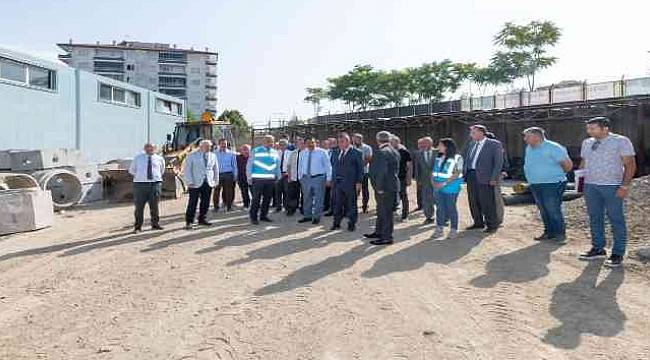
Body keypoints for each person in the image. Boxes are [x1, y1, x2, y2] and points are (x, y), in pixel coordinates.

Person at [578, 117, 636, 268]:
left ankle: (617, 253)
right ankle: (598, 248)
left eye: (592, 128)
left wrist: (624, 186)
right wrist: (581, 184)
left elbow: (630, 165)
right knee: (595, 217)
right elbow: (584, 163)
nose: (589, 131)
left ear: (605, 128)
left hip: (612, 186)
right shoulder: (587, 143)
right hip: (591, 186)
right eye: (588, 128)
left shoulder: (621, 141)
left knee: (616, 219)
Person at [523, 127, 573, 244]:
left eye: (527, 136)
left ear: (536, 136)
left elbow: (568, 165)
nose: (525, 139)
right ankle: (549, 232)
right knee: (543, 209)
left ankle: (560, 234)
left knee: (553, 209)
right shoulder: (529, 148)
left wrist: (554, 175)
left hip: (552, 184)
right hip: (535, 184)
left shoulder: (553, 147)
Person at [463, 124, 504, 233]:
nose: (471, 135)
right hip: (471, 175)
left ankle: (491, 224)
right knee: (473, 200)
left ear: (481, 132)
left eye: (473, 132)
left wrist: (494, 177)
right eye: (471, 132)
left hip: (486, 177)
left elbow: (498, 163)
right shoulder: (472, 144)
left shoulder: (494, 144)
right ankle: (478, 222)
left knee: (487, 201)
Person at [364, 131, 400, 245]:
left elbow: (381, 172)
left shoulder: (382, 152)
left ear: (377, 139)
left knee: (385, 213)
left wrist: (379, 187)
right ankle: (379, 232)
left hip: (384, 188)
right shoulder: (394, 150)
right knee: (381, 211)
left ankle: (386, 237)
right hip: (390, 186)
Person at [128, 143, 165, 233]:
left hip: (155, 184)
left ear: (155, 149)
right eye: (147, 148)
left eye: (152, 148)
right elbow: (132, 170)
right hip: (140, 185)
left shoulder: (159, 159)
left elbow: (162, 170)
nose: (149, 149)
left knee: (154, 206)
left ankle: (155, 224)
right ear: (144, 149)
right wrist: (142, 177)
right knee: (139, 207)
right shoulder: (138, 158)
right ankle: (138, 227)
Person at [431, 138, 464, 239]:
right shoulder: (438, 158)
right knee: (440, 208)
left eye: (440, 145)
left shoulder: (458, 158)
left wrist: (443, 183)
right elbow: (433, 172)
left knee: (451, 208)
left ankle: (453, 229)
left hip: (451, 187)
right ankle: (439, 228)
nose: (438, 147)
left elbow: (457, 173)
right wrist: (433, 182)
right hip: (437, 187)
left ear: (447, 147)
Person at [331, 133, 364, 232]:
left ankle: (352, 223)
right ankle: (336, 223)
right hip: (338, 183)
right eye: (339, 142)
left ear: (348, 141)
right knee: (337, 204)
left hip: (351, 183)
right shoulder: (336, 152)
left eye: (342, 141)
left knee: (351, 204)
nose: (340, 144)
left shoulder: (357, 153)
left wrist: (359, 182)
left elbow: (360, 169)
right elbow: (333, 166)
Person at [184, 140, 220, 229]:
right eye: (207, 146)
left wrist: (216, 180)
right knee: (193, 202)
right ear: (201, 146)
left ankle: (202, 219)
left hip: (208, 182)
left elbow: (215, 169)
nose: (209, 148)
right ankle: (189, 221)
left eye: (210, 146)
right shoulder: (191, 156)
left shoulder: (213, 156)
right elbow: (187, 170)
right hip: (195, 183)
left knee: (205, 202)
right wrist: (189, 181)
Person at [247, 135, 282, 224]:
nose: (270, 143)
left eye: (272, 141)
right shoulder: (256, 151)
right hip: (258, 179)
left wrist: (279, 176)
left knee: (267, 199)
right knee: (256, 199)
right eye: (268, 141)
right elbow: (249, 165)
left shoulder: (275, 152)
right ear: (263, 141)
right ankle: (253, 217)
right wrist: (249, 177)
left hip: (270, 180)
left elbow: (277, 165)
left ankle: (263, 215)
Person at [297, 137, 332, 225]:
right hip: (305, 179)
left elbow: (328, 166)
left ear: (315, 142)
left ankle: (317, 217)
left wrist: (328, 179)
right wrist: (300, 177)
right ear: (305, 144)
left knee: (318, 198)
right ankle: (307, 216)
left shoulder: (322, 152)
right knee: (306, 198)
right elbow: (300, 166)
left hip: (319, 178)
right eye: (308, 143)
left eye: (312, 142)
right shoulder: (302, 153)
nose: (310, 144)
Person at [413, 136, 438, 224]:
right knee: (426, 199)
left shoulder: (438, 152)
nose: (423, 145)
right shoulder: (418, 153)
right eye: (422, 143)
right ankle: (429, 217)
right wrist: (417, 180)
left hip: (438, 180)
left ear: (431, 143)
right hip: (424, 180)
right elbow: (417, 168)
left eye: (425, 143)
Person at [390, 135, 413, 221]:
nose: (391, 144)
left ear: (398, 142)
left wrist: (409, 178)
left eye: (393, 142)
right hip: (391, 178)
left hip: (401, 178)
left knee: (403, 196)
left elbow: (410, 166)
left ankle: (405, 215)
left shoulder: (404, 152)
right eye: (390, 142)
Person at [213, 138, 238, 212]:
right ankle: (216, 207)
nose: (224, 145)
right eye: (222, 144)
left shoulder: (231, 153)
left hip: (228, 174)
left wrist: (235, 175)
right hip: (218, 174)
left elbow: (234, 165)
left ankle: (229, 207)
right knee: (216, 191)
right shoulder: (214, 153)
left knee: (229, 191)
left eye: (225, 144)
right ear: (219, 144)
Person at [352, 133, 373, 213]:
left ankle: (365, 206)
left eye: (357, 139)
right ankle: (353, 206)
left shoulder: (367, 148)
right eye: (354, 139)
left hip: (364, 172)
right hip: (353, 173)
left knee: (364, 190)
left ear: (361, 139)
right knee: (354, 190)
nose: (355, 141)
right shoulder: (351, 148)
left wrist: (359, 166)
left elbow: (368, 159)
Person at [285, 137, 305, 216]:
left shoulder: (307, 153)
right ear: (296, 144)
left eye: (302, 143)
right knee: (293, 195)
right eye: (298, 143)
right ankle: (292, 209)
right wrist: (289, 176)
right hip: (293, 177)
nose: (300, 145)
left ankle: (303, 209)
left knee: (304, 194)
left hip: (303, 178)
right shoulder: (293, 153)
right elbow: (288, 165)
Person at [323, 137, 340, 216]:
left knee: (336, 194)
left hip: (336, 177)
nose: (329, 144)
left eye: (331, 142)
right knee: (330, 194)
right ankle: (331, 209)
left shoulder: (338, 151)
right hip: (328, 176)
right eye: (328, 142)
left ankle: (336, 210)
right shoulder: (326, 152)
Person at [274, 139, 290, 212]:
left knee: (287, 191)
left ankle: (286, 206)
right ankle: (278, 207)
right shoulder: (276, 153)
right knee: (278, 191)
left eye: (284, 144)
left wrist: (287, 173)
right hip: (278, 175)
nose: (282, 146)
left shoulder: (290, 153)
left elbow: (292, 165)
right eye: (281, 144)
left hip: (286, 174)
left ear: (287, 145)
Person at [236, 144, 252, 208]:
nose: (246, 151)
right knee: (244, 193)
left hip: (252, 178)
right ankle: (246, 205)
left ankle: (256, 205)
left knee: (254, 193)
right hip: (241, 178)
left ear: (250, 150)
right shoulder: (237, 158)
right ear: (241, 151)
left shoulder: (253, 157)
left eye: (247, 149)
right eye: (244, 150)